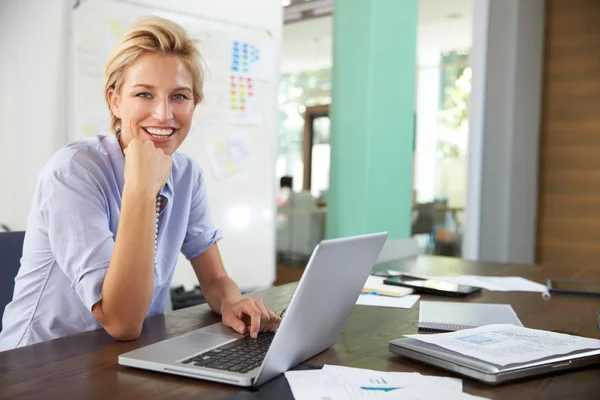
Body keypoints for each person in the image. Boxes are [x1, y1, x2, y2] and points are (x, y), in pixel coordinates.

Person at [0, 16, 280, 351]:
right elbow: (121, 321)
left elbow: (216, 278)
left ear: (194, 105)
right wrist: (141, 188)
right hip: (40, 364)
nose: (163, 114)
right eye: (144, 94)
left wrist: (231, 303)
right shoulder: (73, 172)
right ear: (115, 102)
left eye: (179, 96)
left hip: (123, 356)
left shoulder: (186, 174)